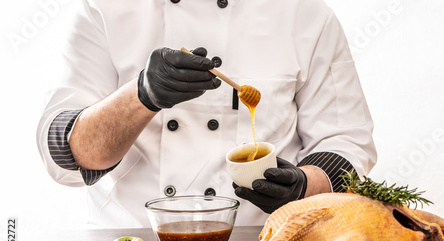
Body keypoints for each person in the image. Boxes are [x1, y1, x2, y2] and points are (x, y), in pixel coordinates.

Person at [37, 0, 377, 228]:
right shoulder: (104, 8)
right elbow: (67, 155)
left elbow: (346, 140)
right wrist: (142, 94)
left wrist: (302, 187)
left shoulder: (305, 14)